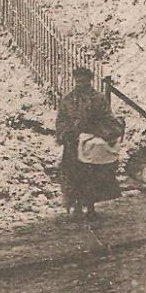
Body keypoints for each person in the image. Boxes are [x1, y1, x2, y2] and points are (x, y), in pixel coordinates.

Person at [55, 66, 122, 220]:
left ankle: (91, 207)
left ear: (90, 81)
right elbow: (61, 120)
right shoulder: (68, 100)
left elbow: (107, 118)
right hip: (73, 144)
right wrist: (67, 133)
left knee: (92, 177)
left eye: (84, 81)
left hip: (91, 144)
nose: (80, 84)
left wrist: (98, 131)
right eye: (78, 81)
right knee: (73, 176)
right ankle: (76, 207)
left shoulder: (98, 99)